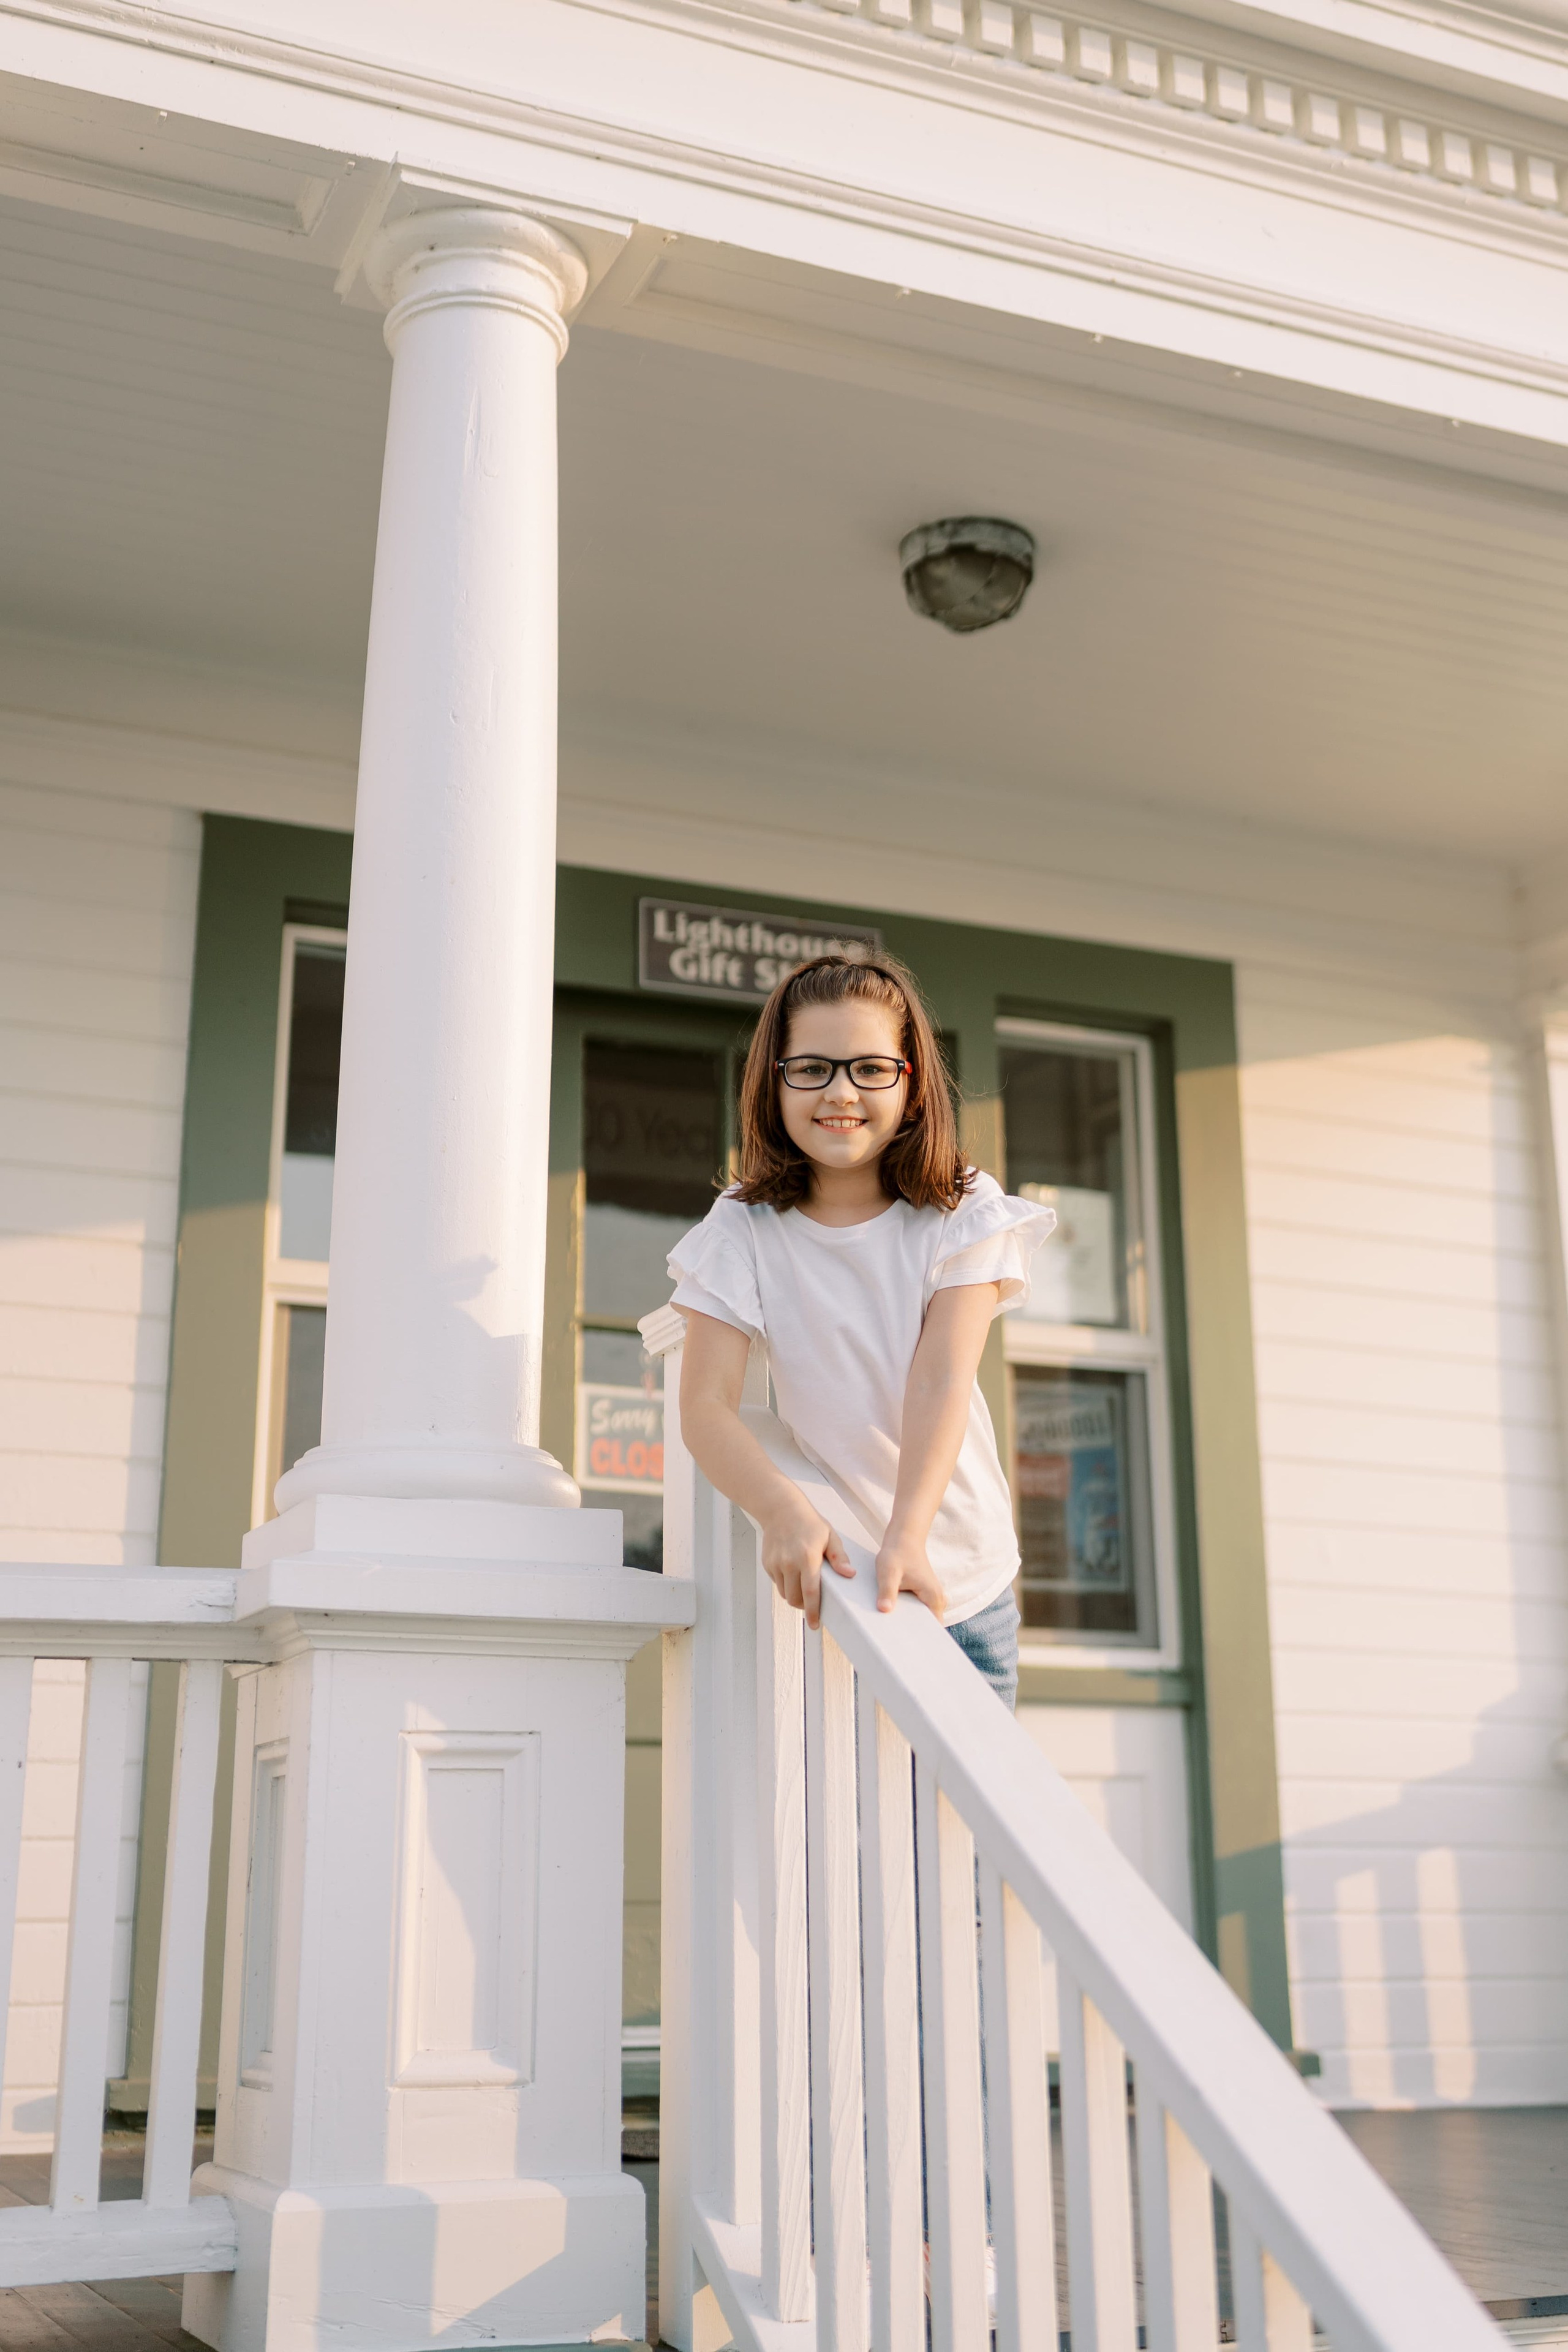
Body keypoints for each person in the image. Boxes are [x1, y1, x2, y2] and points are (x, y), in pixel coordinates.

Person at [666, 950, 1057, 1709]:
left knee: (959, 1823)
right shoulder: (741, 1227)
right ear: (773, 1081)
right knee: (842, 1826)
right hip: (837, 1579)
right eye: (811, 1067)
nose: (841, 1092)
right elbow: (705, 1407)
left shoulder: (960, 1207)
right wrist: (781, 1511)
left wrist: (909, 1537)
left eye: (870, 1069)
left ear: (910, 1085)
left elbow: (940, 1376)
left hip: (959, 1581)